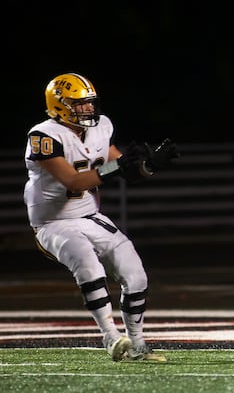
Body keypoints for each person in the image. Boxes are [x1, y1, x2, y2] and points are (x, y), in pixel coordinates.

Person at [24, 72, 179, 362]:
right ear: (59, 105)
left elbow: (122, 167)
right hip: (52, 224)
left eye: (89, 103)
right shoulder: (43, 136)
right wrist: (117, 166)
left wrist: (148, 166)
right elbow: (74, 181)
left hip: (90, 216)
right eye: (79, 104)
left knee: (135, 276)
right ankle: (110, 336)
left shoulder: (101, 127)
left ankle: (137, 344)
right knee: (88, 265)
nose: (87, 109)